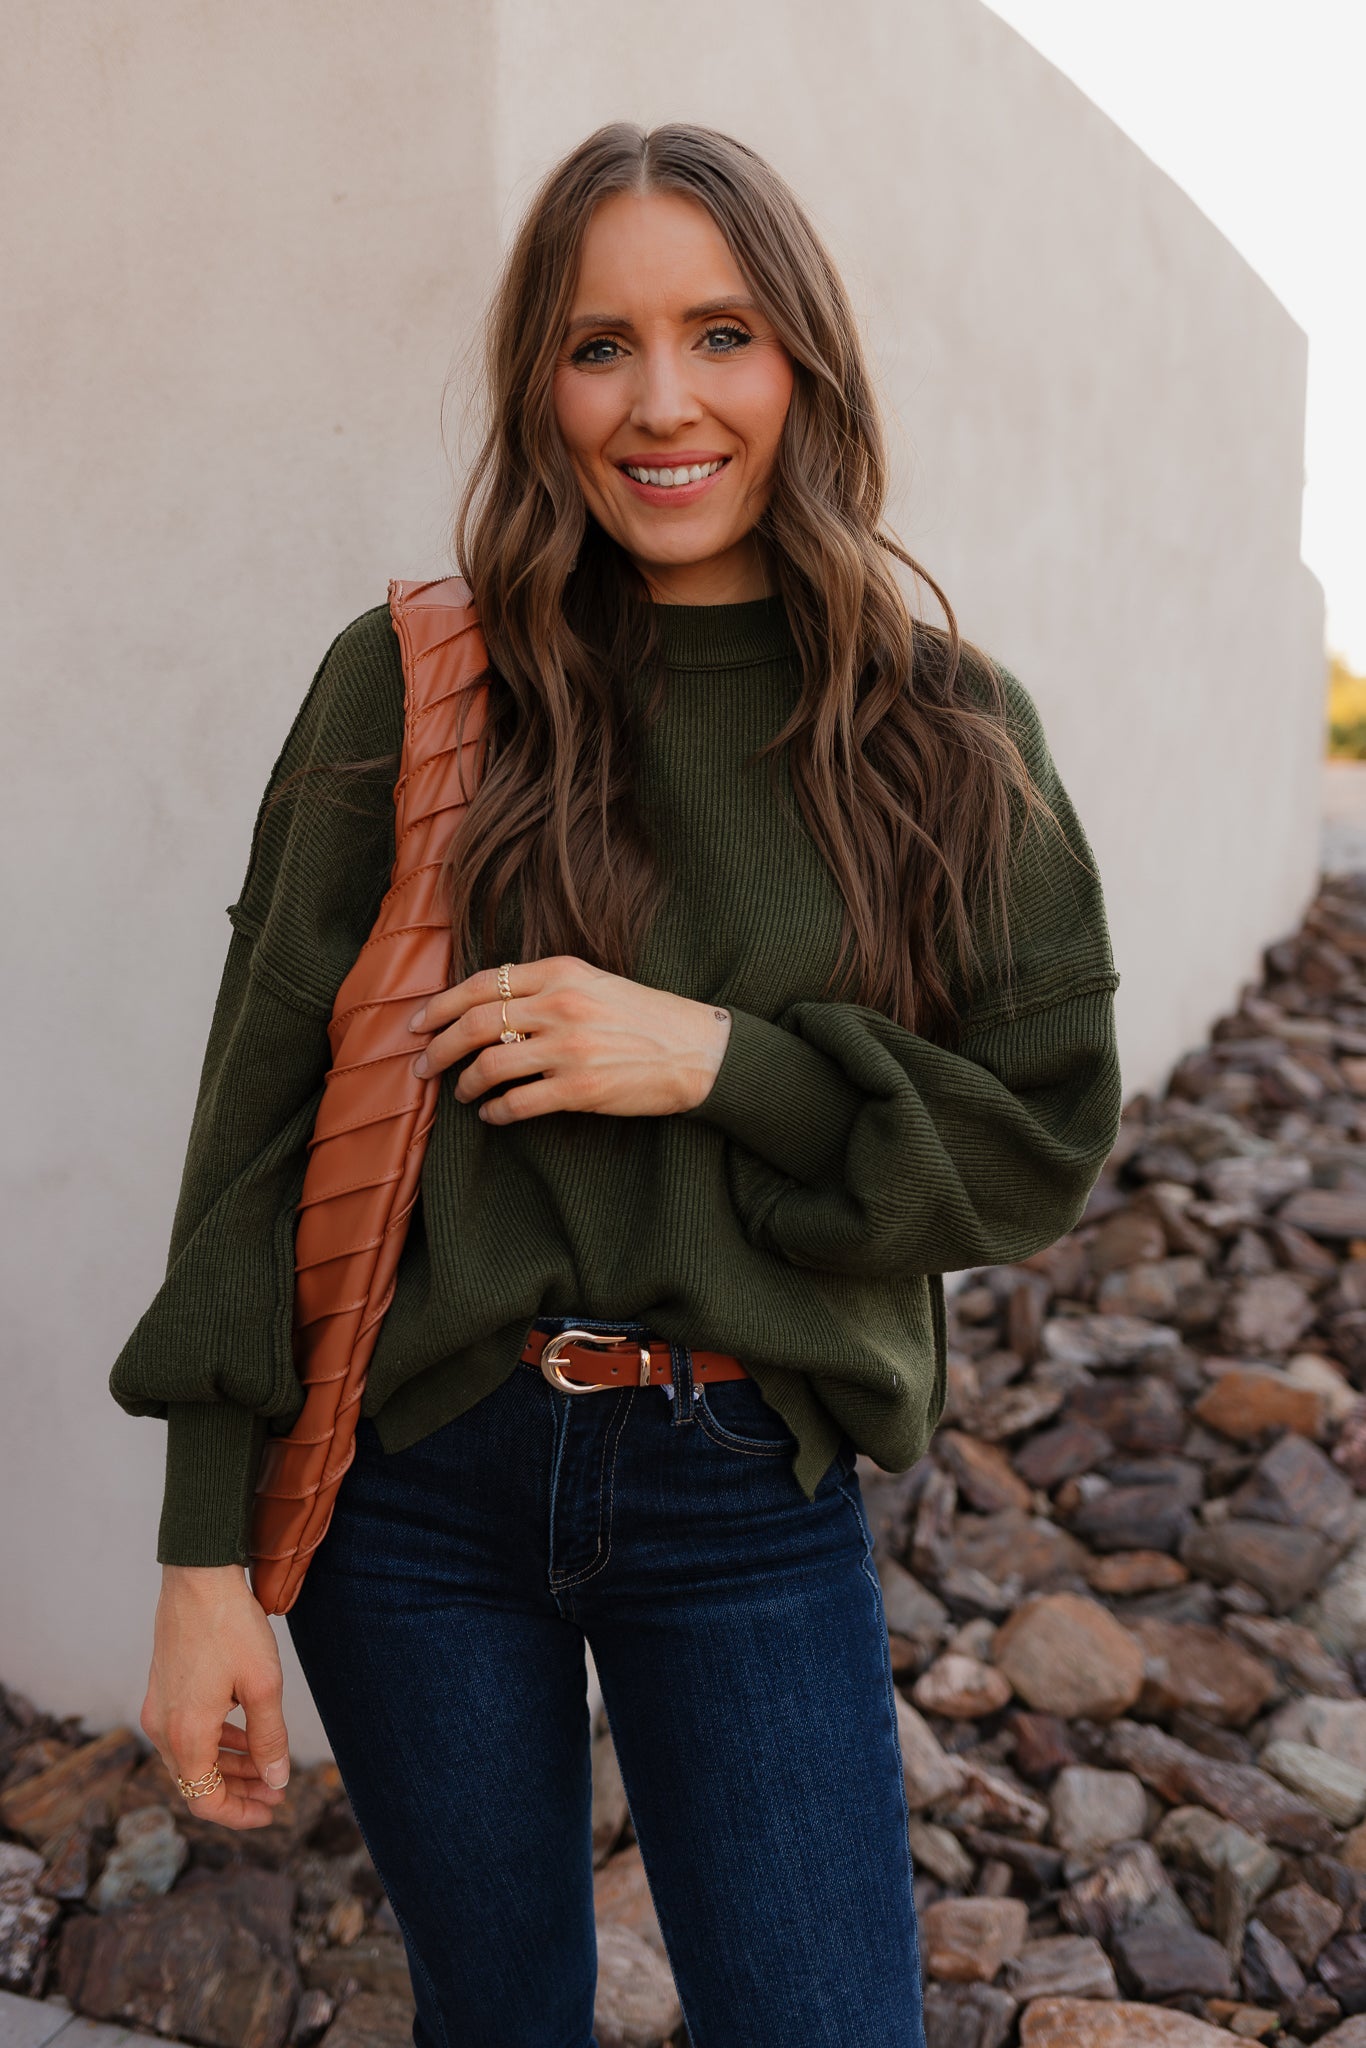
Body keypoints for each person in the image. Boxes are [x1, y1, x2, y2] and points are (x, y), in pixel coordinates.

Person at [110, 121, 1123, 2048]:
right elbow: (257, 1126)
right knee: (496, 2018)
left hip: (742, 1489)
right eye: (600, 346)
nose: (662, 402)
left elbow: (1037, 1138)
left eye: (720, 333)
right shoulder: (417, 681)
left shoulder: (947, 731)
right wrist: (201, 1558)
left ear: (802, 361)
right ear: (539, 383)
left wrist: (721, 1063)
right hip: (416, 1486)